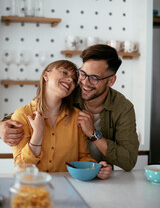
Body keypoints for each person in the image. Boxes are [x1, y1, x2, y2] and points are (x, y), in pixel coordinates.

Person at [0, 44, 139, 172]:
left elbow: (128, 161)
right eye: (82, 74)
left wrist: (93, 134)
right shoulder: (69, 91)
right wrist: (1, 126)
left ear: (111, 81)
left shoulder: (123, 108)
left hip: (93, 173)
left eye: (94, 78)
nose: (84, 82)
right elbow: (32, 110)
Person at [5, 59, 108, 177]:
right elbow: (20, 169)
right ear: (45, 75)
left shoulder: (76, 117)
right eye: (64, 72)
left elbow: (83, 158)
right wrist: (38, 134)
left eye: (74, 80)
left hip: (67, 188)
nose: (70, 79)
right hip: (30, 188)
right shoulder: (22, 115)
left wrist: (97, 169)